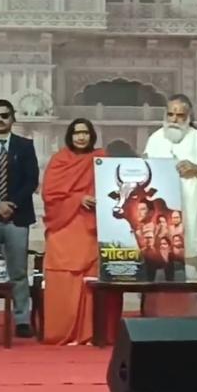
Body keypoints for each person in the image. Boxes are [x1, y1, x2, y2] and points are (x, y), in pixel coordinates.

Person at [41, 118, 122, 345]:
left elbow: (115, 189)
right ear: (70, 136)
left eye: (85, 132)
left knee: (92, 279)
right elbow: (49, 194)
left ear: (91, 135)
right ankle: (64, 332)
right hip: (65, 225)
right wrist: (78, 198)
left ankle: (91, 333)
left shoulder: (101, 159)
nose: (81, 137)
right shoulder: (59, 160)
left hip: (93, 227)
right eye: (76, 133)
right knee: (64, 277)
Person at [142, 94, 197, 316]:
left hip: (190, 217)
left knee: (191, 273)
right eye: (170, 114)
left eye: (180, 115)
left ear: (189, 117)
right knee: (159, 273)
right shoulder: (155, 139)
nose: (174, 120)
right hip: (160, 218)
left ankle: (192, 324)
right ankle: (157, 323)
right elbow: (144, 175)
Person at [0, 99, 39, 338]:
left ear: (13, 118)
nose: (0, 120)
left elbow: (31, 180)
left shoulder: (25, 146)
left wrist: (11, 204)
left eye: (4, 115)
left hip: (17, 216)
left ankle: (22, 320)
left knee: (18, 271)